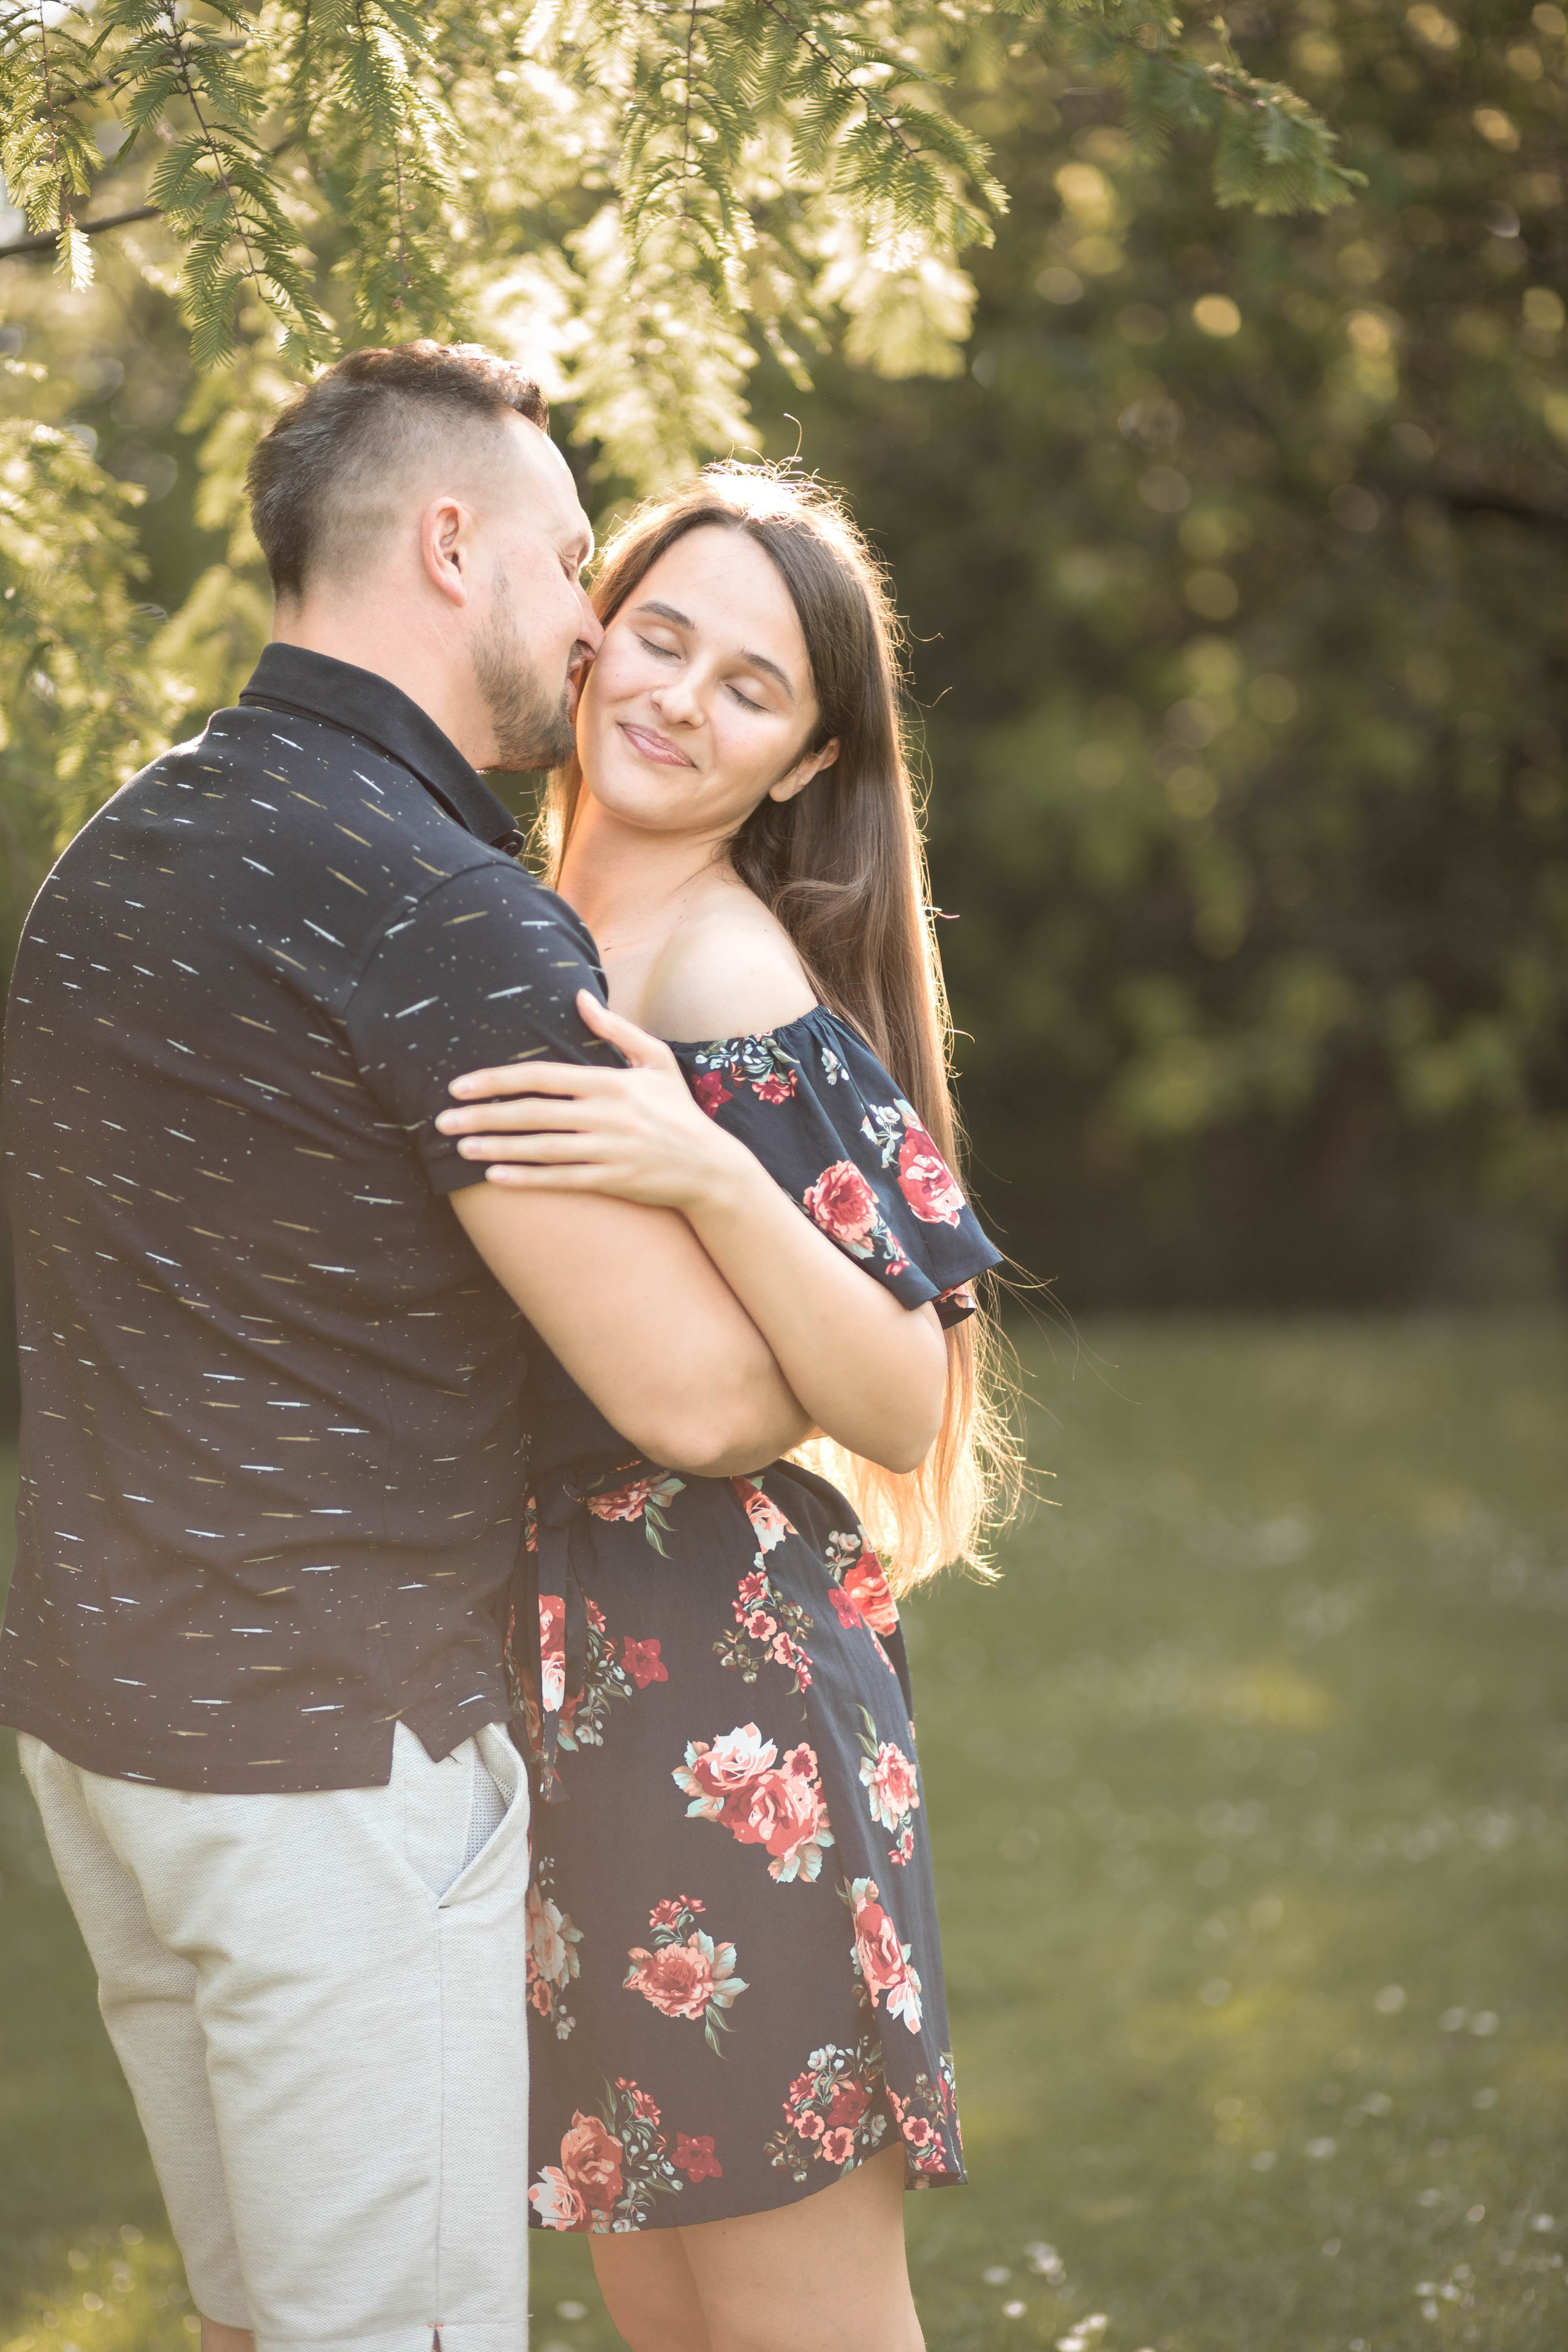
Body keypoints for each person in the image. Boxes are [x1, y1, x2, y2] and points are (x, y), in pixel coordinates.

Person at [0, 347, 819, 2352]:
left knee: (255, 2322)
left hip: (105, 1739)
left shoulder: (120, 848)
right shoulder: (437, 906)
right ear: (450, 546)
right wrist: (812, 1269)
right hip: (332, 1774)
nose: (591, 624)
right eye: (566, 564)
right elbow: (699, 1398)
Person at [432, 465, 1011, 2352]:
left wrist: (705, 1169)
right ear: (593, 631)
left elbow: (904, 1393)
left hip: (722, 1699)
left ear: (802, 758)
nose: (679, 698)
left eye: (749, 686)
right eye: (661, 636)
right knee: (673, 2318)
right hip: (574, 1695)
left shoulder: (723, 977)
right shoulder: (534, 928)